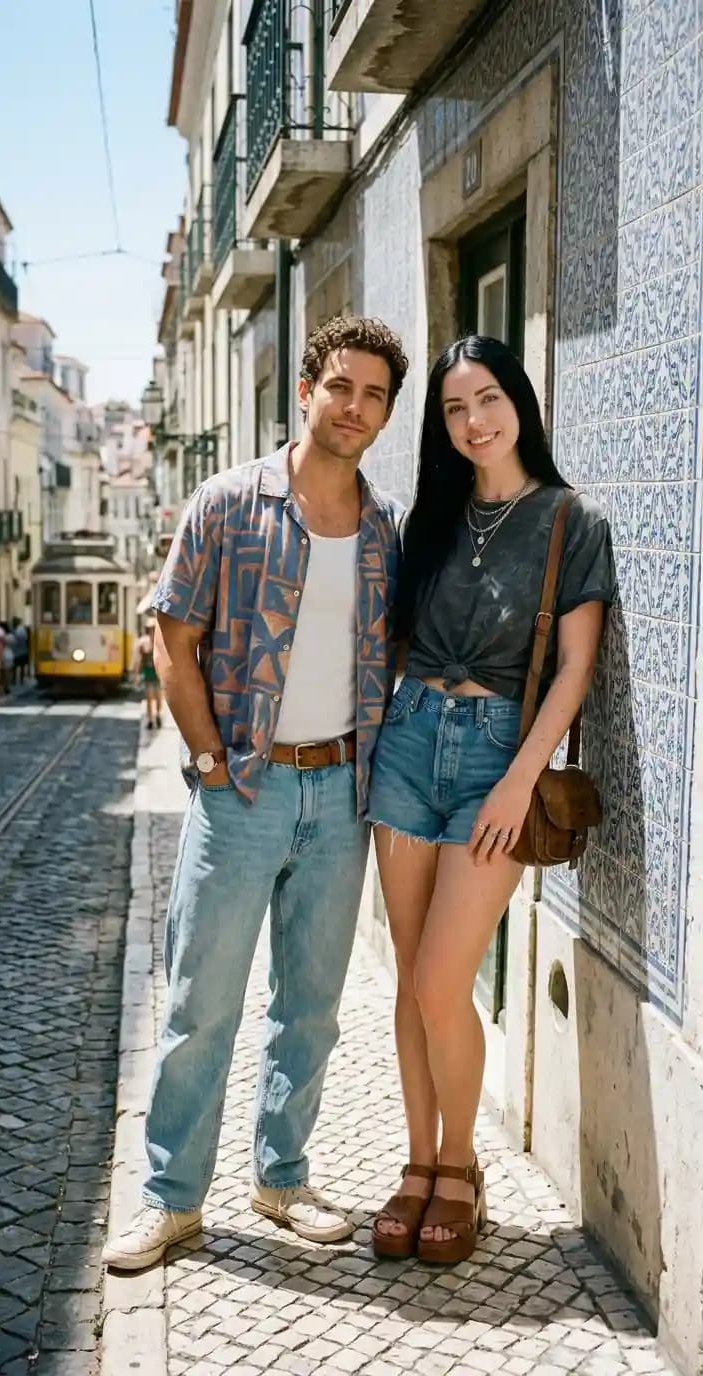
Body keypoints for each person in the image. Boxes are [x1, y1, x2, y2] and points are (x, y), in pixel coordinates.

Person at [102, 315, 409, 1271]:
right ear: (308, 390)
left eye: (375, 396)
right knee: (203, 999)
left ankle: (281, 1176)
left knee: (310, 1003)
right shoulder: (229, 503)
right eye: (342, 387)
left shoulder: (385, 528)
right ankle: (170, 1200)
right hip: (244, 789)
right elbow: (172, 633)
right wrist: (206, 758)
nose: (355, 408)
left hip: (339, 793)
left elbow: (392, 649)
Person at [367, 336, 616, 1265]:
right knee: (411, 978)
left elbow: (576, 667)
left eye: (488, 400)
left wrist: (518, 777)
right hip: (406, 748)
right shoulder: (429, 520)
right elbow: (390, 648)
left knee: (443, 978)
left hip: (493, 763)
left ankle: (462, 1168)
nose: (474, 422)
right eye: (454, 410)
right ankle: (416, 1166)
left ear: (519, 400)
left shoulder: (567, 520)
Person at [132, 619, 163, 729]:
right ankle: (150, 719)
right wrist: (135, 674)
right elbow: (138, 659)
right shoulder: (143, 642)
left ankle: (158, 715)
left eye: (154, 629)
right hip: (148, 673)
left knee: (159, 697)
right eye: (150, 629)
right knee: (149, 698)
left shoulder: (161, 642)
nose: (152, 631)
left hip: (159, 674)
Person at [12, 618, 29, 685]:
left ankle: (14, 680)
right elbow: (26, 639)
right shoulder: (23, 630)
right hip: (23, 650)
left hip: (16, 651)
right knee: (22, 666)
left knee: (15, 667)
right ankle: (21, 680)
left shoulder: (15, 630)